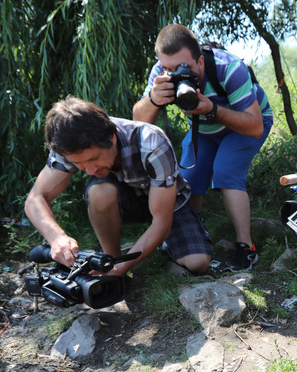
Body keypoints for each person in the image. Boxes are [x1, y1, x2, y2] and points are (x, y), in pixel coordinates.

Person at [133, 24, 273, 271]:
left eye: (181, 68)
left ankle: (246, 247)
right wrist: (154, 99)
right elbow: (139, 122)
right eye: (168, 68)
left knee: (226, 172)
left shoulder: (228, 68)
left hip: (248, 123)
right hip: (206, 129)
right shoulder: (160, 72)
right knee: (187, 179)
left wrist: (212, 109)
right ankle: (193, 239)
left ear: (199, 61)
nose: (175, 74)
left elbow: (255, 127)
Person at [25, 96, 213, 279]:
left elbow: (161, 223)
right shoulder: (67, 146)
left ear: (112, 138)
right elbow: (36, 198)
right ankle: (112, 258)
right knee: (98, 191)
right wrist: (56, 237)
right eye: (79, 164)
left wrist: (124, 267)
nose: (89, 170)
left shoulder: (152, 142)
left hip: (170, 203)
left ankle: (139, 256)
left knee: (198, 263)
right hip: (125, 200)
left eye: (93, 159)